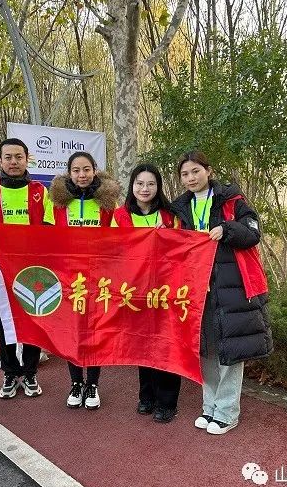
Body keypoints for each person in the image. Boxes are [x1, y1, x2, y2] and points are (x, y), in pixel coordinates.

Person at [170, 151, 272, 435]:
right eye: (185, 174)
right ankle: (209, 406)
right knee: (206, 347)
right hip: (196, 287)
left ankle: (227, 412)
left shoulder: (231, 200)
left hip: (231, 285)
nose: (191, 178)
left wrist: (227, 229)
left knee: (231, 349)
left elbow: (252, 233)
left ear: (208, 170)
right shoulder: (180, 208)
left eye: (195, 171)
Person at [49, 151, 120, 409]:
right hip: (68, 278)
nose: (82, 175)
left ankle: (93, 385)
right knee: (72, 332)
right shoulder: (57, 203)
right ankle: (76, 383)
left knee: (95, 332)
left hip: (98, 278)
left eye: (86, 169)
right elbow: (46, 238)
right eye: (76, 170)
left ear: (94, 170)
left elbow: (118, 239)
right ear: (69, 173)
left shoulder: (108, 203)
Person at [0, 138, 54, 400]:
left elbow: (49, 227)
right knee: (4, 320)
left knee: (34, 318)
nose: (13, 162)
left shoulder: (40, 191)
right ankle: (10, 373)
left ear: (27, 159)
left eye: (19, 157)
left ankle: (30, 372)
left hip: (32, 268)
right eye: (8, 157)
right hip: (0, 269)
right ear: (0, 160)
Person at [112, 163, 181, 423]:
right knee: (142, 344)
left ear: (158, 187)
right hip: (135, 291)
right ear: (132, 185)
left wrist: (167, 238)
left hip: (164, 290)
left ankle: (167, 402)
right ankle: (146, 397)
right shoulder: (120, 216)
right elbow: (114, 252)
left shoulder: (170, 216)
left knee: (165, 345)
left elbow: (182, 250)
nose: (145, 189)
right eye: (140, 183)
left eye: (151, 184)